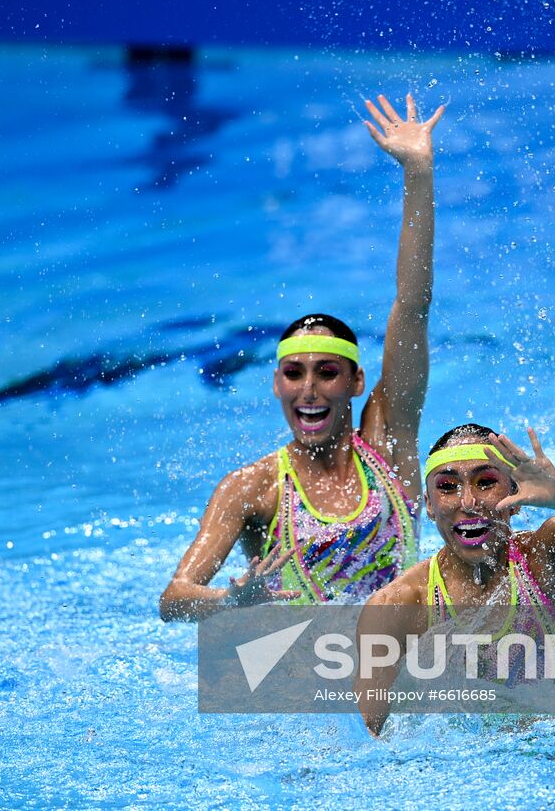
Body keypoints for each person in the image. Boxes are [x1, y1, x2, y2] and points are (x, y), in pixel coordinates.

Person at [160, 93, 444, 619]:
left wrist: (418, 173)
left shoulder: (389, 442)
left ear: (358, 382)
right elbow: (174, 599)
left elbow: (413, 306)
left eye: (327, 373)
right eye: (294, 374)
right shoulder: (253, 487)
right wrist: (232, 601)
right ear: (276, 384)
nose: (308, 389)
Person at [354, 423, 555, 736]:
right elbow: (367, 736)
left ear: (516, 497)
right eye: (448, 487)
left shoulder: (545, 557)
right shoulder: (398, 606)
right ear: (429, 505)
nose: (468, 502)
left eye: (485, 482)